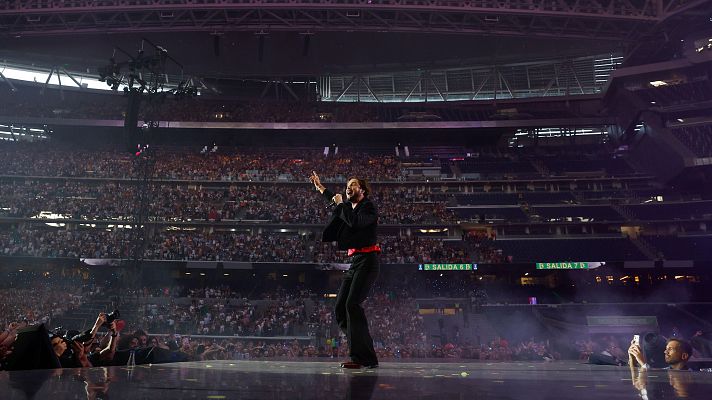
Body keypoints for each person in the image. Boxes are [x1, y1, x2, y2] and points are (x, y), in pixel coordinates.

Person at [310, 171, 380, 369]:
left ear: (363, 191)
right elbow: (335, 198)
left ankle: (363, 358)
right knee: (341, 308)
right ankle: (361, 353)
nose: (349, 187)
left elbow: (355, 222)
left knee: (352, 305)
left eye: (354, 184)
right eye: (348, 184)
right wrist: (320, 187)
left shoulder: (369, 207)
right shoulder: (349, 206)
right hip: (355, 261)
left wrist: (340, 204)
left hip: (368, 261)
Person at [628, 337, 693, 370]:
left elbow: (650, 374)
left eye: (670, 349)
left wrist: (643, 363)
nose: (665, 352)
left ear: (684, 356)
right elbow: (637, 373)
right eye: (666, 349)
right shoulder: (666, 371)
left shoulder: (692, 376)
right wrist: (632, 357)